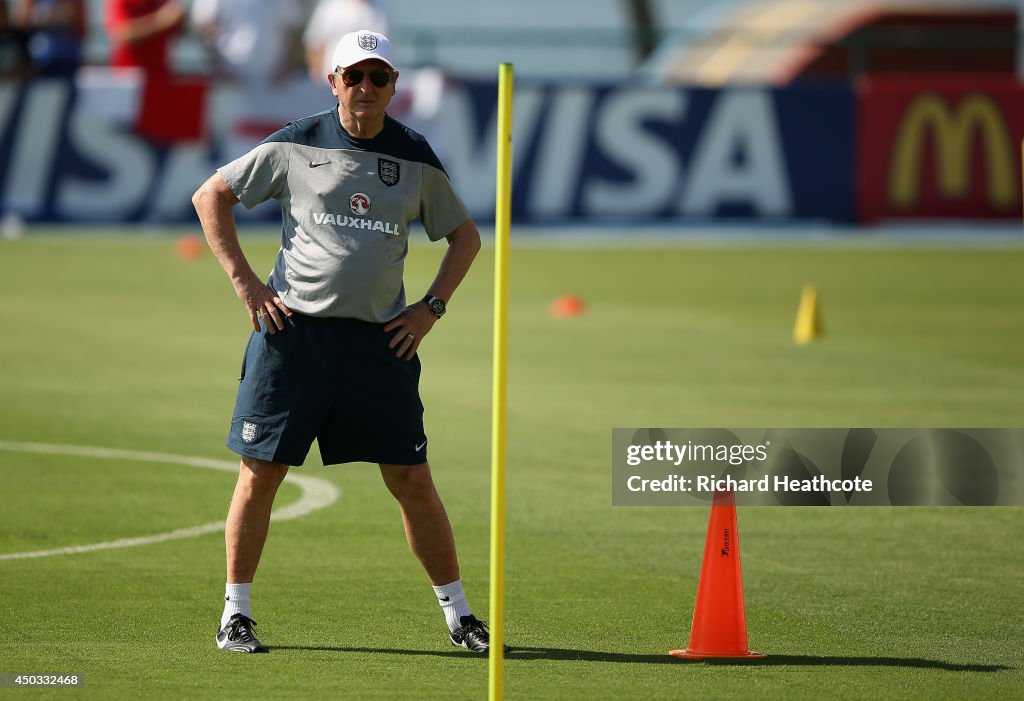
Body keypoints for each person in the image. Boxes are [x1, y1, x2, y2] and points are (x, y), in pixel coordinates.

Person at [191, 30, 488, 655]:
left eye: (379, 77)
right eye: (354, 76)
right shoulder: (296, 142)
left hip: (379, 346)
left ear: (394, 87)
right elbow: (210, 195)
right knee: (262, 472)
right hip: (292, 337)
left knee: (411, 477)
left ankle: (460, 615)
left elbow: (464, 236)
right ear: (334, 83)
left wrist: (431, 308)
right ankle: (234, 614)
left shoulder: (415, 155)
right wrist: (246, 284)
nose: (366, 88)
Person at [190, 0, 303, 87]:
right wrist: (217, 66)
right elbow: (204, 26)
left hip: (271, 83)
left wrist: (286, 68)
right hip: (227, 81)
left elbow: (290, 30)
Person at [304, 0, 388, 80]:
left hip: (363, 81)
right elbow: (315, 44)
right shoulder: (329, 7)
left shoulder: (378, 9)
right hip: (329, 78)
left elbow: (380, 48)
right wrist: (316, 75)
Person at [105, 0, 185, 79]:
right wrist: (160, 21)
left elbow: (177, 32)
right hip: (129, 77)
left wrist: (180, 20)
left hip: (159, 75)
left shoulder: (163, 2)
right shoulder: (122, 2)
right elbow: (121, 34)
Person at [15, 0, 86, 76]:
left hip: (68, 61)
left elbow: (81, 28)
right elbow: (24, 24)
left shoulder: (75, 3)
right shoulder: (32, 3)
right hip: (38, 63)